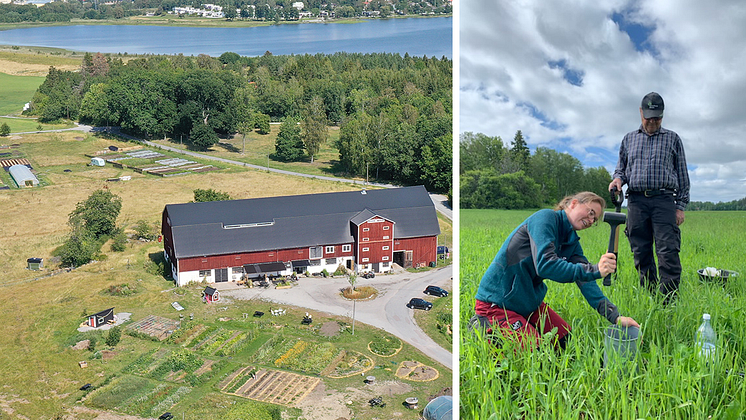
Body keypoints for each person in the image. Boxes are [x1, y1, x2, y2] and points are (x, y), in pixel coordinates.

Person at [472, 192, 640, 350]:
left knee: (566, 343)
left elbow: (586, 281)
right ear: (573, 203)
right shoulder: (545, 218)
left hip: (529, 304)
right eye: (590, 212)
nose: (591, 220)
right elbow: (546, 265)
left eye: (594, 219)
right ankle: (482, 325)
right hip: (497, 304)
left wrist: (614, 316)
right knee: (537, 357)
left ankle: (520, 326)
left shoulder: (571, 240)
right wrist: (596, 269)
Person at [609, 92, 690, 304]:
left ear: (662, 116)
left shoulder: (673, 138)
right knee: (641, 250)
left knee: (667, 250)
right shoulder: (628, 139)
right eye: (649, 117)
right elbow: (622, 169)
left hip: (664, 201)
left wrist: (679, 206)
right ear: (640, 112)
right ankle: (650, 294)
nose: (653, 121)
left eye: (657, 117)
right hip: (636, 201)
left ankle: (669, 300)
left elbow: (682, 175)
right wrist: (617, 180)